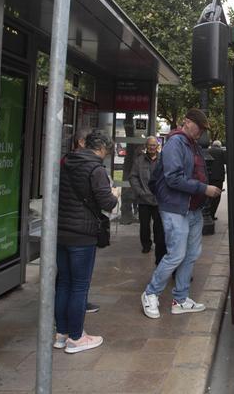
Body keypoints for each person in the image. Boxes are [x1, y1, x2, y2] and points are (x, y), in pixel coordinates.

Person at [141, 109, 222, 319]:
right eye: (199, 127)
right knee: (176, 254)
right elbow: (173, 178)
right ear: (187, 122)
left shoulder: (191, 144)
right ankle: (150, 293)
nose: (201, 132)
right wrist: (204, 189)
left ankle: (181, 299)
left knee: (191, 254)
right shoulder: (176, 143)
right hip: (175, 207)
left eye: (203, 129)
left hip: (190, 208)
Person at [54, 129, 118, 353]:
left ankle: (61, 334)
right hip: (82, 234)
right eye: (107, 151)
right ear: (101, 148)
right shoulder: (96, 168)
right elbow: (107, 203)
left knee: (63, 283)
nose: (106, 155)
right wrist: (115, 194)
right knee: (79, 286)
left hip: (60, 231)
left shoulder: (66, 161)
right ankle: (76, 337)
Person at [68, 126, 102, 315]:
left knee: (67, 281)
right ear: (82, 143)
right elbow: (104, 199)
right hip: (81, 229)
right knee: (78, 282)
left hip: (66, 227)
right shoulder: (89, 166)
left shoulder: (67, 162)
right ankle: (75, 333)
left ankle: (62, 328)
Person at [129, 136, 166, 263]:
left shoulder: (163, 160)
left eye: (154, 145)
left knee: (158, 226)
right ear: (146, 146)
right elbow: (133, 177)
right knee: (144, 225)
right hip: (143, 199)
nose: (151, 147)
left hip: (158, 200)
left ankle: (158, 245)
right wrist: (139, 191)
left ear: (157, 146)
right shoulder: (139, 161)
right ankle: (146, 245)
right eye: (149, 145)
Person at [206, 140, 226, 220]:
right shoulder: (221, 151)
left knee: (209, 196)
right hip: (218, 178)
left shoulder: (208, 150)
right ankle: (212, 214)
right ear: (219, 145)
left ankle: (208, 213)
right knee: (216, 197)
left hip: (209, 177)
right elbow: (225, 161)